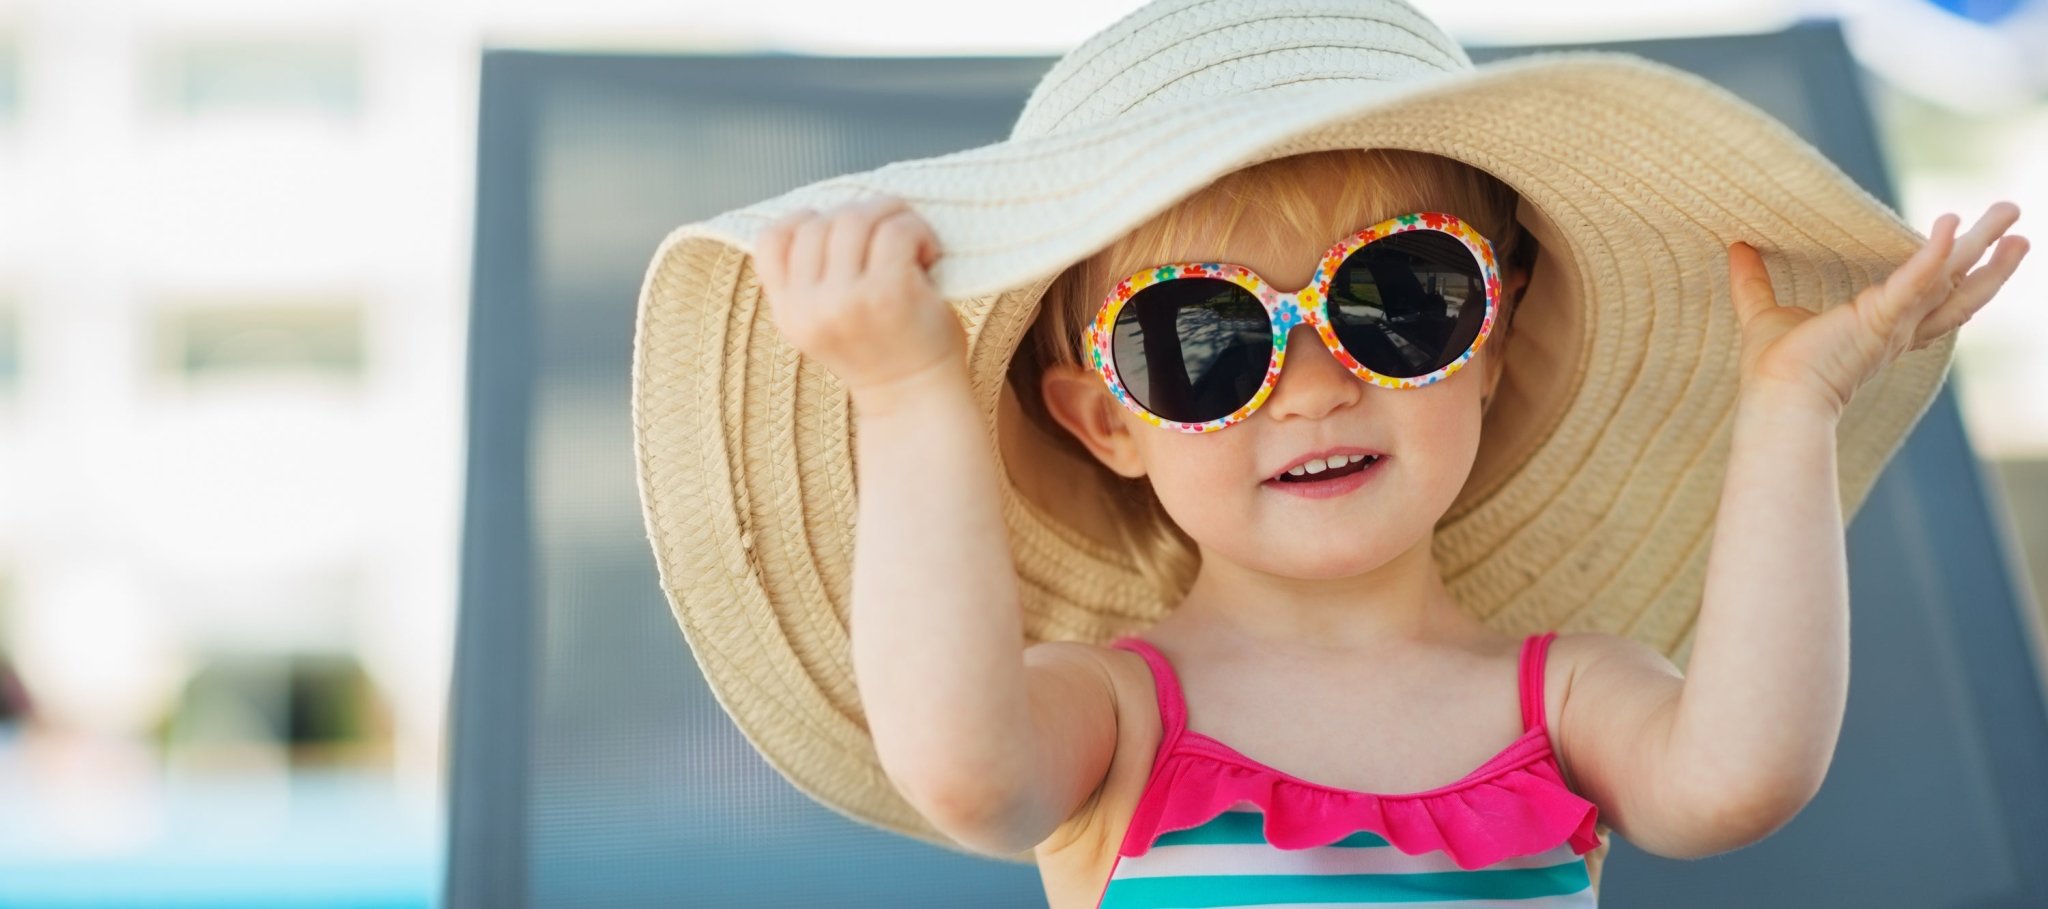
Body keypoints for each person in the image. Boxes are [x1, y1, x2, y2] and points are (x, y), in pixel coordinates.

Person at [629, 1, 2030, 905]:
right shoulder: (1116, 718)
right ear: (1105, 416)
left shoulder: (1572, 692)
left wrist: (1788, 407)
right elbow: (962, 770)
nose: (1310, 387)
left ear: (1491, 339)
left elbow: (1738, 782)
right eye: (1201, 340)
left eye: (1398, 302)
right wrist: (908, 392)